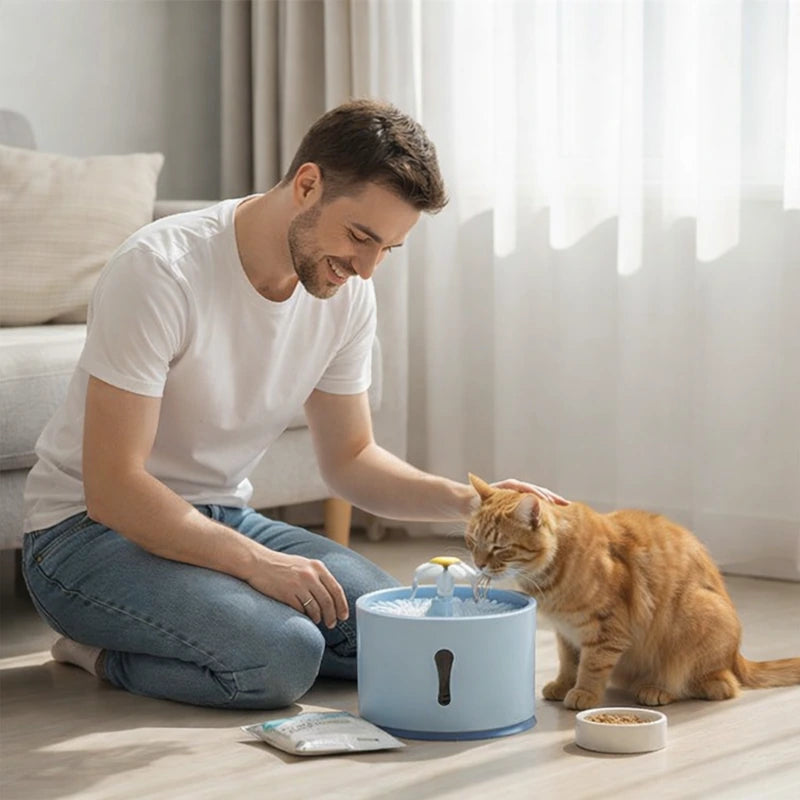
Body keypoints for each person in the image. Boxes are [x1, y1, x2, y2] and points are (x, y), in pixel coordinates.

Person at [21, 99, 566, 709]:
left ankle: (203, 615)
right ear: (307, 184)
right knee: (282, 658)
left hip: (219, 515)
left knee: (394, 633)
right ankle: (93, 651)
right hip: (85, 536)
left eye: (388, 248)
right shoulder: (160, 271)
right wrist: (257, 565)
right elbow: (114, 488)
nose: (366, 268)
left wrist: (473, 501)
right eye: (361, 236)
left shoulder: (346, 293)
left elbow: (351, 458)